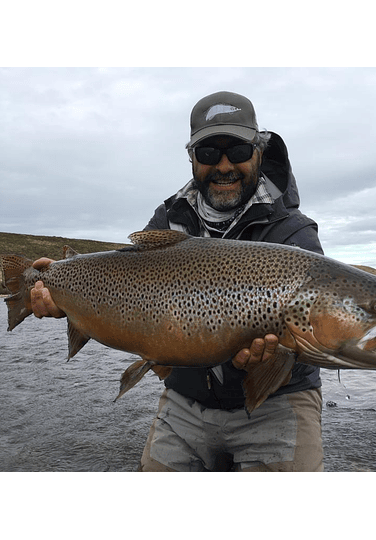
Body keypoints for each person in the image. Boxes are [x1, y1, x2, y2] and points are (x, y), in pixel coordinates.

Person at [31, 91, 325, 472]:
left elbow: (314, 325)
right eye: (207, 154)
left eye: (236, 150)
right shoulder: (168, 218)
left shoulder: (293, 232)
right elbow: (124, 283)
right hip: (186, 400)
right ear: (191, 158)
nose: (223, 166)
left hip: (279, 401)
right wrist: (63, 290)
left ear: (258, 151)